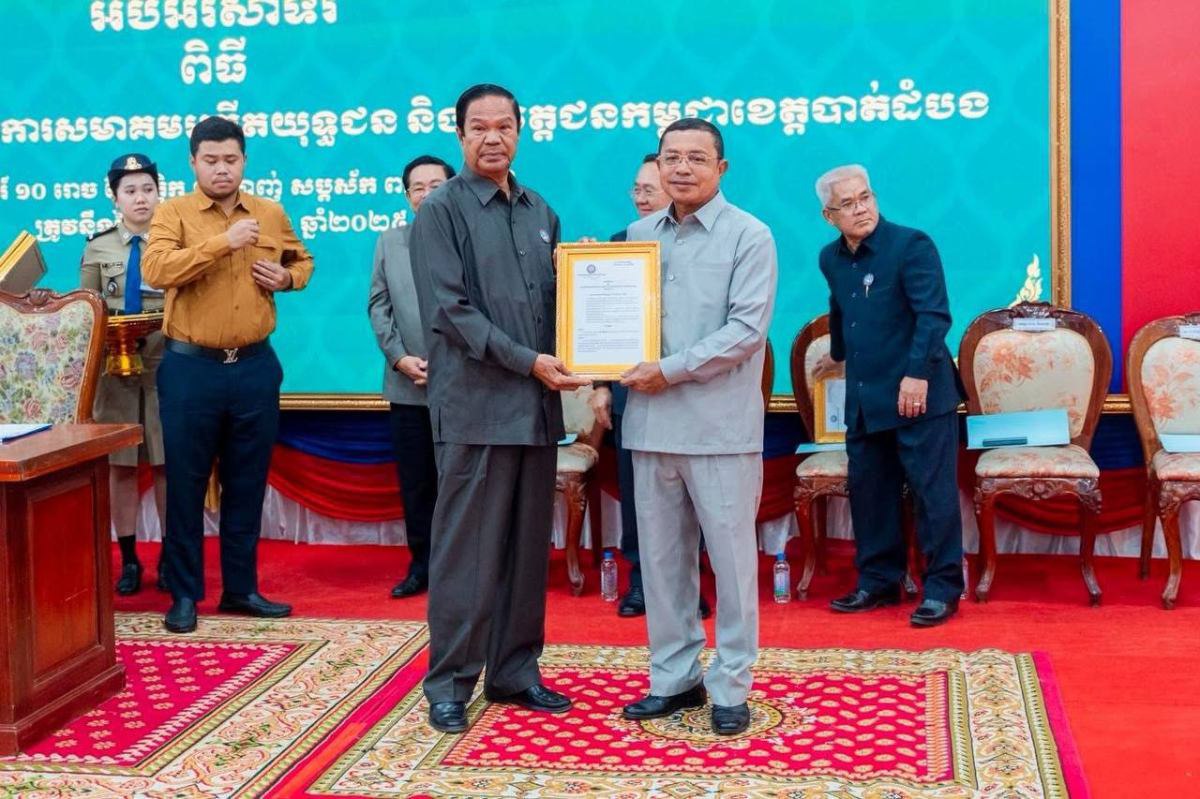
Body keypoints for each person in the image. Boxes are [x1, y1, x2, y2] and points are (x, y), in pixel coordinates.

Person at [410, 83, 590, 735]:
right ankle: (450, 683)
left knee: (523, 551)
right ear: (460, 135)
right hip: (477, 409)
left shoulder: (541, 210)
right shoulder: (441, 211)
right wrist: (528, 361)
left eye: (504, 126)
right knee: (468, 554)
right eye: (479, 127)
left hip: (536, 411)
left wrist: (591, 290)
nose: (493, 137)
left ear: (520, 130)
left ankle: (514, 670)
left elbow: (556, 306)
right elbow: (451, 312)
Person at [618, 118, 777, 736]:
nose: (681, 168)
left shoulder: (750, 236)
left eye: (696, 158)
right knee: (661, 567)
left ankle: (731, 685)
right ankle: (673, 678)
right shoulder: (637, 237)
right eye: (671, 158)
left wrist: (668, 370)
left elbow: (746, 332)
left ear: (721, 167)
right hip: (650, 427)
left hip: (720, 430)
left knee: (732, 568)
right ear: (657, 165)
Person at [143, 117, 314, 634]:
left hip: (255, 367)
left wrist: (287, 277)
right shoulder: (173, 212)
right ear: (193, 163)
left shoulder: (269, 211)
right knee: (186, 482)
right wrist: (222, 242)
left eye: (231, 160)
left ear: (244, 161)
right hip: (191, 369)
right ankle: (184, 594)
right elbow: (156, 270)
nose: (222, 169)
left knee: (247, 481)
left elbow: (303, 262)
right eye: (211, 160)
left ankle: (241, 589)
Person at [812, 164, 965, 627]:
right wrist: (836, 354)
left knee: (931, 495)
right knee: (870, 493)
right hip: (865, 395)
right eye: (848, 204)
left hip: (918, 393)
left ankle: (941, 589)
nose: (861, 209)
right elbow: (842, 308)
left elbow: (933, 316)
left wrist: (917, 375)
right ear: (828, 216)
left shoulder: (911, 245)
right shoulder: (830, 258)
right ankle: (878, 581)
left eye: (866, 197)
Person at [590, 154, 710, 620]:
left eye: (649, 189)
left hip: (689, 392)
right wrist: (601, 385)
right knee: (639, 494)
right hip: (632, 396)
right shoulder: (618, 244)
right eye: (636, 189)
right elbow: (601, 324)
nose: (641, 198)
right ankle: (641, 583)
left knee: (691, 498)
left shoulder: (700, 243)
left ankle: (689, 586)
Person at [368, 154, 455, 598]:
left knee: (459, 484)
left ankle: (461, 570)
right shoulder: (390, 241)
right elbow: (378, 306)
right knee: (417, 483)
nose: (426, 194)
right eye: (417, 188)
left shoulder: (470, 239)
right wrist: (400, 357)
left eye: (435, 185)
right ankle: (421, 565)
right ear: (407, 197)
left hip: (461, 387)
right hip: (407, 386)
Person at [80, 153, 167, 596]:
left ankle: (172, 557)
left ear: (159, 192)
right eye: (130, 190)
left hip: (165, 365)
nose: (140, 198)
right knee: (122, 467)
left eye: (148, 189)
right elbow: (87, 310)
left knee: (168, 464)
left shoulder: (173, 242)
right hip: (115, 371)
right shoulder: (98, 247)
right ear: (114, 197)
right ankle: (130, 559)